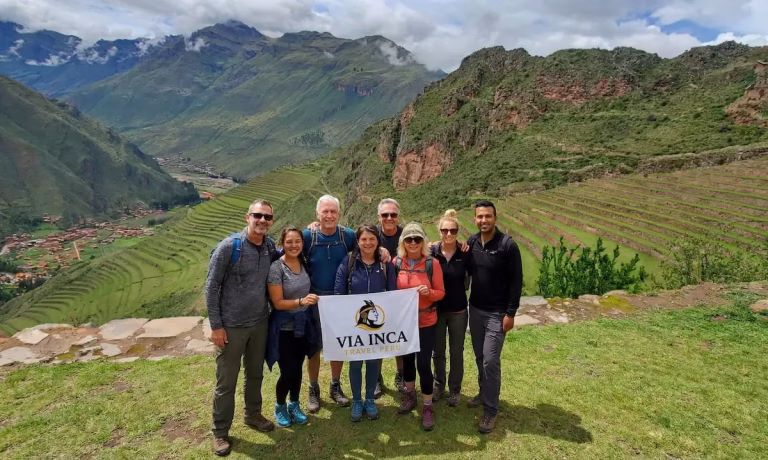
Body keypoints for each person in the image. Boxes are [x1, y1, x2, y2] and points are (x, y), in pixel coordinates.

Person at [205, 200, 278, 457]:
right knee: (226, 381)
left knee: (255, 374)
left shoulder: (269, 246)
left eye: (267, 217)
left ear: (271, 221)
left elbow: (291, 253)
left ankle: (253, 415)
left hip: (259, 322)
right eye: (258, 215)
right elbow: (211, 287)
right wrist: (216, 326)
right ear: (247, 217)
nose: (262, 220)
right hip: (232, 326)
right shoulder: (229, 247)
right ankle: (220, 432)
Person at [466, 200, 523, 434]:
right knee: (480, 357)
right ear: (475, 219)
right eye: (480, 216)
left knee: (491, 361)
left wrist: (511, 313)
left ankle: (491, 410)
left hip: (497, 314)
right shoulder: (472, 241)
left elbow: (516, 282)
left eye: (488, 216)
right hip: (475, 310)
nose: (484, 220)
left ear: (495, 218)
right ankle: (483, 392)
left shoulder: (507, 245)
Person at [334, 225, 397, 422]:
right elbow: (339, 293)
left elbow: (393, 293)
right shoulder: (348, 263)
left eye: (372, 239)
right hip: (354, 324)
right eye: (364, 239)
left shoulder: (385, 264)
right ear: (358, 241)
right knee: (355, 363)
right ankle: (356, 401)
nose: (368, 243)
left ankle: (369, 399)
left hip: (378, 324)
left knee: (372, 362)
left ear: (378, 241)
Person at [302, 195, 356, 412]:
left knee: (338, 345)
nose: (329, 215)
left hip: (339, 300)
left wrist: (381, 250)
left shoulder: (347, 235)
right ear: (317, 214)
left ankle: (335, 386)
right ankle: (313, 389)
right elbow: (289, 251)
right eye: (325, 211)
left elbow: (367, 244)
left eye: (333, 211)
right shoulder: (307, 236)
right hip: (314, 300)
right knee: (313, 347)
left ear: (339, 214)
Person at [266, 227, 320, 428]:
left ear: (302, 244)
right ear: (283, 244)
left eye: (297, 241)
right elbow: (278, 302)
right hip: (284, 328)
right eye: (289, 242)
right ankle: (280, 406)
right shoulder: (276, 268)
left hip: (302, 326)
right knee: (287, 371)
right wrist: (301, 301)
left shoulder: (303, 261)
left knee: (297, 369)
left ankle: (294, 405)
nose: (294, 245)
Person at [395, 222, 445, 431]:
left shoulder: (432, 264)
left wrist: (429, 293)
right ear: (403, 242)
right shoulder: (397, 262)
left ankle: (427, 405)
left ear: (423, 242)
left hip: (426, 320)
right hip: (405, 322)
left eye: (417, 239)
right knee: (407, 361)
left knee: (423, 364)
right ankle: (409, 395)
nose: (413, 242)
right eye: (409, 239)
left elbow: (440, 293)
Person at [430, 210, 470, 407]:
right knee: (437, 351)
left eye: (453, 230)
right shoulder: (432, 252)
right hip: (436, 310)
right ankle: (439, 385)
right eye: (445, 230)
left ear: (457, 232)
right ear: (439, 231)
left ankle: (455, 389)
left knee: (456, 352)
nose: (448, 234)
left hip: (458, 310)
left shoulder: (465, 253)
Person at [376, 198, 405, 396]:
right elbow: (354, 241)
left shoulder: (406, 235)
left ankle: (401, 375)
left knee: (399, 339)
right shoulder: (372, 235)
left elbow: (425, 246)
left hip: (400, 296)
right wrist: (315, 225)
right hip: (377, 295)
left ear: (398, 216)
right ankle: (376, 378)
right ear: (379, 217)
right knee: (376, 338)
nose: (389, 218)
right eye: (385, 214)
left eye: (393, 214)